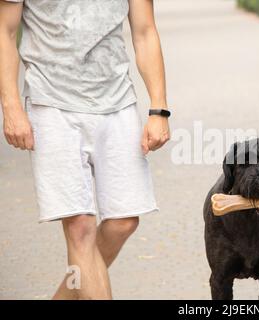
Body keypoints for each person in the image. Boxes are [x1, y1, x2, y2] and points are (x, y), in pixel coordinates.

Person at [0, 0, 170, 299]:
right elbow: (4, 29)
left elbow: (144, 31)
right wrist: (11, 106)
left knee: (124, 222)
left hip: (117, 99)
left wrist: (159, 110)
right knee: (80, 227)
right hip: (50, 102)